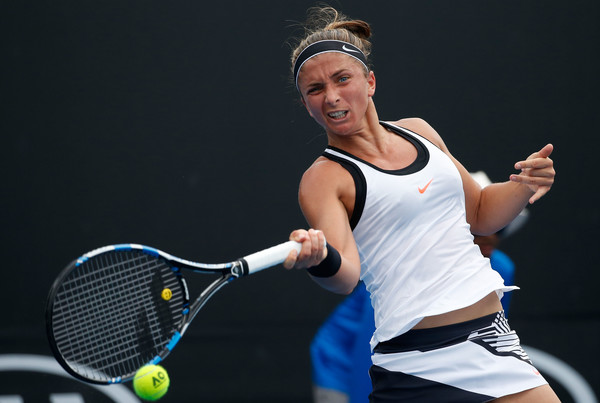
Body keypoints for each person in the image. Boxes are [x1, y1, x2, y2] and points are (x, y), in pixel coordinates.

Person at [282, 6, 558, 402]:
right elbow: (346, 275)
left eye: (342, 79)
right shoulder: (323, 178)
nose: (332, 97)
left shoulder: (420, 132)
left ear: (370, 81)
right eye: (315, 89)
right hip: (417, 363)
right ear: (305, 104)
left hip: (491, 338)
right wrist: (320, 257)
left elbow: (480, 213)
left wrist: (523, 186)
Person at [309, 171, 527, 403]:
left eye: (494, 236)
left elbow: (486, 337)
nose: (486, 244)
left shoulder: (500, 268)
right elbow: (370, 345)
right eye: (478, 235)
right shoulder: (410, 262)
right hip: (342, 366)